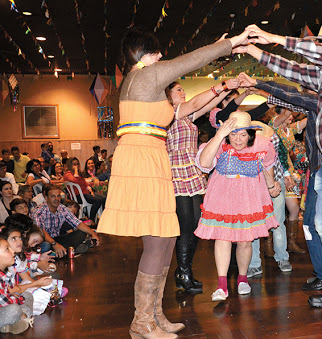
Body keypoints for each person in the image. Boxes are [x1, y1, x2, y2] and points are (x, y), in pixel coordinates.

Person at [95, 27, 252, 338]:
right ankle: (142, 322)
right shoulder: (145, 74)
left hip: (151, 157)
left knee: (167, 237)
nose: (162, 57)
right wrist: (230, 43)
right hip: (142, 159)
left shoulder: (145, 83)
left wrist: (222, 85)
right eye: (156, 52)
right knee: (157, 239)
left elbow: (188, 108)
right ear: (144, 55)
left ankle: (153, 314)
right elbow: (191, 60)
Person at [240, 19, 322, 315]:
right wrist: (255, 56)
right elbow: (294, 73)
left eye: (321, 44)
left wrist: (270, 36)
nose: (316, 49)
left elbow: (317, 59)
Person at [238, 72, 322, 290]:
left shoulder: (281, 132)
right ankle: (263, 259)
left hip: (285, 176)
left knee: (284, 217)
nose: (290, 117)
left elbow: (279, 158)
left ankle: (283, 255)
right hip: (270, 181)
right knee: (261, 223)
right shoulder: (271, 129)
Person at [194, 112, 279, 302]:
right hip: (222, 194)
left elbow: (267, 166)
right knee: (222, 237)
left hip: (250, 195)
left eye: (242, 134)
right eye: (233, 134)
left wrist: (272, 185)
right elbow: (204, 164)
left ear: (250, 134)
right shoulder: (219, 145)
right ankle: (222, 286)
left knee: (245, 241)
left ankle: (242, 279)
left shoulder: (263, 145)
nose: (238, 139)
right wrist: (218, 135)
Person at [165, 78, 239, 294]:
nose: (183, 92)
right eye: (179, 90)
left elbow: (205, 105)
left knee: (196, 225)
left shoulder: (186, 116)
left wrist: (227, 91)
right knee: (186, 224)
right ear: (168, 95)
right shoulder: (170, 111)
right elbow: (197, 103)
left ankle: (185, 271)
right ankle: (183, 273)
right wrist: (223, 85)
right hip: (177, 171)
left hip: (192, 170)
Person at [247, 120, 292, 277]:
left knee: (278, 221)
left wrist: (283, 177)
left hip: (275, 181)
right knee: (255, 223)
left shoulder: (271, 138)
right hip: (254, 184)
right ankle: (254, 263)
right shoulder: (244, 141)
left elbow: (279, 159)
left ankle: (282, 257)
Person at [268, 108, 308, 254]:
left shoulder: (290, 130)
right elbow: (284, 114)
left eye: (292, 114)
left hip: (289, 172)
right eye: (289, 114)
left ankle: (291, 243)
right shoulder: (274, 124)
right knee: (274, 210)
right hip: (275, 171)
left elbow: (307, 120)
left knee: (294, 209)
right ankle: (269, 244)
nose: (291, 116)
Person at [32, 185, 100, 257]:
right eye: (53, 196)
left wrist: (93, 234)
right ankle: (67, 251)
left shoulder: (62, 208)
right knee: (46, 246)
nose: (56, 199)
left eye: (58, 196)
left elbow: (77, 223)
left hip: (58, 239)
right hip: (44, 241)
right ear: (46, 198)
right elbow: (41, 232)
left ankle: (62, 252)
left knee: (82, 232)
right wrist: (54, 244)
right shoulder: (38, 211)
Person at [0, 237, 34, 334]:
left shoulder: (6, 273)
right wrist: (16, 295)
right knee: (14, 309)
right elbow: (5, 303)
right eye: (7, 249)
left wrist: (16, 295)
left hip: (6, 308)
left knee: (28, 296)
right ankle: (24, 316)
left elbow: (11, 294)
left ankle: (10, 325)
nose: (13, 251)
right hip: (6, 309)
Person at [63, 158, 105, 222]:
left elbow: (85, 184)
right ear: (70, 165)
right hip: (78, 196)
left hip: (85, 194)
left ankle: (98, 218)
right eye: (74, 164)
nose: (76, 166)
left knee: (102, 198)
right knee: (98, 200)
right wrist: (76, 171)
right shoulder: (68, 174)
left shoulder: (79, 174)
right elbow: (75, 180)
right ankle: (91, 219)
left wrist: (91, 191)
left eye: (77, 164)